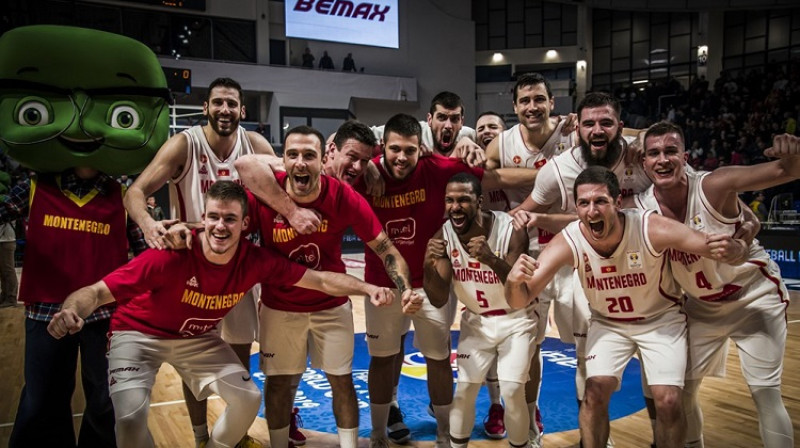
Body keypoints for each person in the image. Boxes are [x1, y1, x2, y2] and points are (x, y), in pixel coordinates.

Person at [47, 181, 394, 448]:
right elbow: (96, 292)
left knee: (248, 397)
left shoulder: (254, 260)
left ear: (245, 223)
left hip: (196, 338)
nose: (220, 226)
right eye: (213, 217)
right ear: (203, 219)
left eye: (230, 219)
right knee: (131, 416)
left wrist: (367, 288)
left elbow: (319, 280)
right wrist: (71, 310)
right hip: (139, 335)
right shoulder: (170, 254)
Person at [0, 25, 172, 448]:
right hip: (45, 309)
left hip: (105, 310)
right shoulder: (35, 185)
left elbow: (139, 252)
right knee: (42, 399)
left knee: (104, 399)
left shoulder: (122, 194)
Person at [123, 77, 315, 448]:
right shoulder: (185, 144)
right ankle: (199, 437)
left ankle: (235, 435)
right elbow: (135, 192)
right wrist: (148, 225)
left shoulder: (254, 145)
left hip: (239, 269)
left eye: (232, 104)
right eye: (218, 103)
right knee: (192, 362)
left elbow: (296, 175)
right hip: (190, 270)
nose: (225, 110)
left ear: (242, 110)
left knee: (238, 355)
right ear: (206, 108)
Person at [505, 166, 749, 448]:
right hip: (608, 323)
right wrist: (513, 281)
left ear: (618, 203)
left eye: (600, 202)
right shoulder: (571, 238)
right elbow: (518, 299)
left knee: (668, 400)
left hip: (660, 320)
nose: (592, 211)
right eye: (583, 203)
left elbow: (712, 246)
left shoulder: (650, 227)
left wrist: (739, 246)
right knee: (594, 393)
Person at [235, 126, 418, 448]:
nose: (301, 163)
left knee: (342, 382)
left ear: (323, 159)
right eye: (293, 155)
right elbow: (240, 173)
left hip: (331, 306)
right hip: (280, 307)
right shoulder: (265, 192)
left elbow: (386, 249)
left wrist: (405, 288)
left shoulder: (344, 197)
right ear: (283, 160)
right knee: (278, 385)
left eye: (309, 156)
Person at [360, 113, 533, 448]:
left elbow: (494, 177)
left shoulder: (437, 169)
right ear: (382, 147)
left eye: (409, 150)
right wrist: (368, 162)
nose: (401, 157)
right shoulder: (369, 173)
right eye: (394, 149)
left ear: (419, 148)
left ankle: (444, 432)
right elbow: (335, 160)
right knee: (382, 357)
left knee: (438, 358)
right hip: (382, 282)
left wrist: (551, 172)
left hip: (431, 280)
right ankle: (379, 432)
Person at [633, 124, 799, 448]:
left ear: (685, 157)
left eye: (670, 152)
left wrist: (792, 153)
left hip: (752, 296)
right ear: (643, 163)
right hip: (700, 306)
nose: (662, 159)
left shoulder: (714, 184)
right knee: (681, 391)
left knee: (765, 391)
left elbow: (786, 171)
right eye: (654, 153)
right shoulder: (640, 208)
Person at [484, 73, 577, 445]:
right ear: (515, 107)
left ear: (553, 103)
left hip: (573, 248)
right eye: (525, 101)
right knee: (529, 345)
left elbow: (625, 135)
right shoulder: (503, 142)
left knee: (587, 343)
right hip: (527, 252)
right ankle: (532, 424)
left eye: (539, 99)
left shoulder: (574, 132)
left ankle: (596, 431)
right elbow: (484, 178)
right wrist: (549, 174)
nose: (532, 106)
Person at [423, 173, 534, 448]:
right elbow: (437, 299)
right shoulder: (445, 234)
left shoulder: (512, 229)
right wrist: (427, 264)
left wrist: (490, 259)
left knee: (511, 389)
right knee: (464, 391)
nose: (455, 207)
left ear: (480, 202)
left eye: (463, 200)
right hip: (476, 321)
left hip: (516, 320)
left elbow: (519, 289)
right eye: (449, 200)